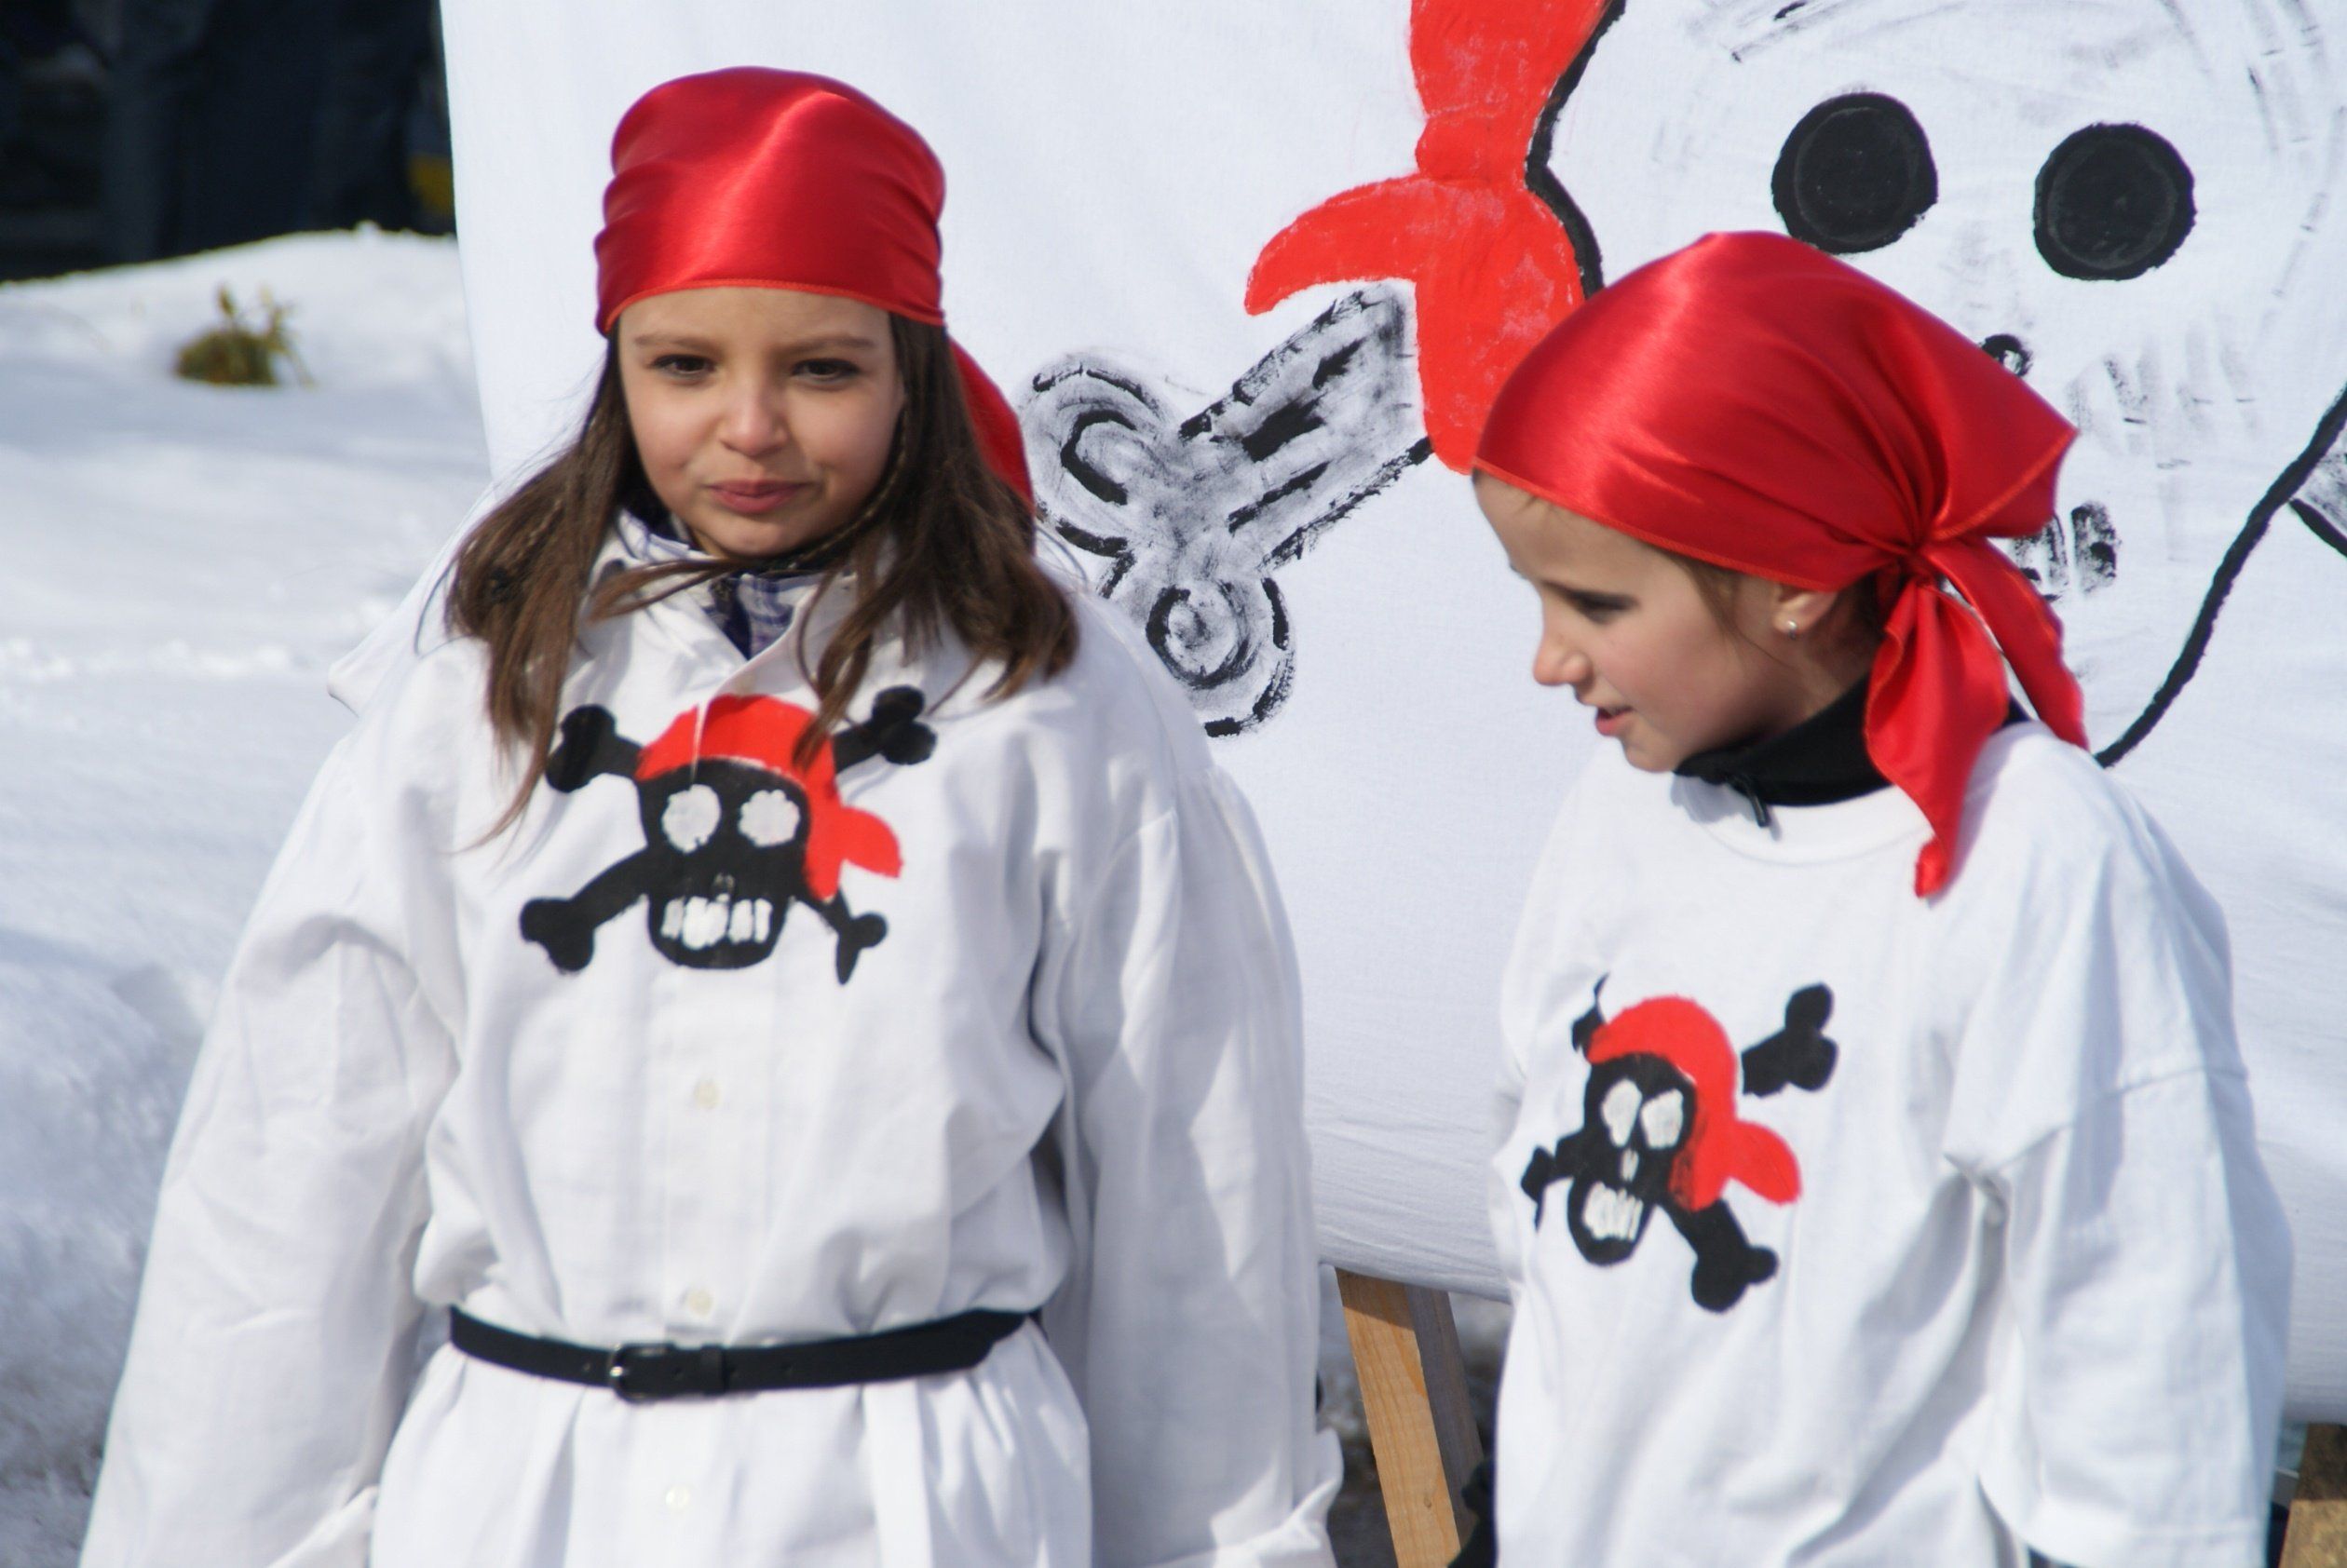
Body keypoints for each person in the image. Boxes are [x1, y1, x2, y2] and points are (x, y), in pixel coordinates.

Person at [80, 68, 1338, 1568]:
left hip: (911, 1504)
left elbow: (1196, 1196)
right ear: (618, 364)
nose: (751, 427)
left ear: (912, 369)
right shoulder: (479, 695)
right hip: (534, 1503)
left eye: (821, 369)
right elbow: (293, 1174)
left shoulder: (1054, 707)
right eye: (684, 365)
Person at [1469, 232, 2288, 1567]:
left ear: (1793, 581)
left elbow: (2149, 1340)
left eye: (1597, 604)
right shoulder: (1624, 812)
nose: (1550, 658)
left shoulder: (2036, 861)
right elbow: (1544, 1212)